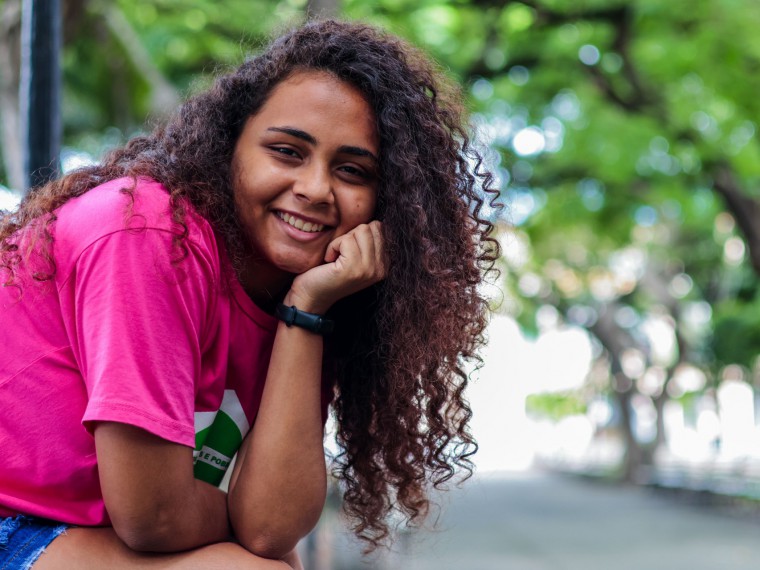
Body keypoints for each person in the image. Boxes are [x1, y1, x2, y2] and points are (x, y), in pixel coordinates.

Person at [0, 19, 499, 569]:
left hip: (78, 529)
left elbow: (269, 526)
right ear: (229, 146)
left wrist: (306, 311)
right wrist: (235, 520)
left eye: (352, 171)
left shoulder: (306, 288)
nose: (314, 189)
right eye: (287, 151)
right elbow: (155, 517)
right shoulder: (146, 231)